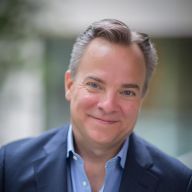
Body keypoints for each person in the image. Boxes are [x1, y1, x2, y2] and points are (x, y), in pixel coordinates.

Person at [0, 19, 191, 192]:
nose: (108, 105)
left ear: (141, 98)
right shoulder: (9, 167)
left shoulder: (179, 184)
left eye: (127, 92)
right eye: (94, 85)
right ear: (70, 85)